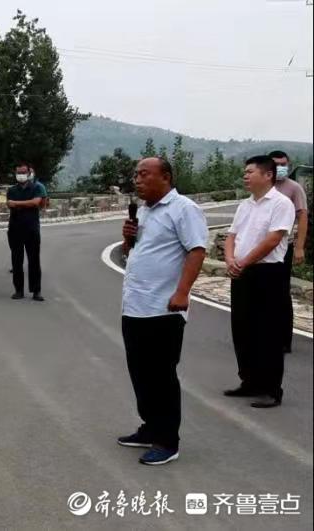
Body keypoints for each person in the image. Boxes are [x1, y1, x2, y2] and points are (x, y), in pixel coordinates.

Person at [118, 157, 208, 466]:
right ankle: (149, 427)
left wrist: (183, 292)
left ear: (166, 177)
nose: (137, 180)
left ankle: (168, 440)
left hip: (164, 308)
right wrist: (128, 237)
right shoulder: (143, 210)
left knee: (161, 376)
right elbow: (136, 251)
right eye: (136, 174)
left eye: (144, 174)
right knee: (140, 374)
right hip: (135, 306)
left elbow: (197, 250)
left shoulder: (183, 209)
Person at [224, 155, 295, 409]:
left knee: (268, 332)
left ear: (268, 175)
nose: (245, 175)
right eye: (244, 171)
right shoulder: (245, 205)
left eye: (250, 171)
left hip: (268, 274)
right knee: (242, 329)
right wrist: (230, 259)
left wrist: (243, 263)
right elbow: (232, 236)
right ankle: (249, 381)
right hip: (242, 273)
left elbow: (273, 240)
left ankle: (271, 389)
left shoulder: (281, 203)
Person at [268, 150, 308, 354]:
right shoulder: (264, 187)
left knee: (282, 293)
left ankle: (284, 341)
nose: (280, 167)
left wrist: (299, 246)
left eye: (283, 163)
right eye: (275, 164)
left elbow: (302, 217)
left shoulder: (294, 188)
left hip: (284, 247)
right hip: (262, 249)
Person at [7, 162, 47, 301]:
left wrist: (17, 204)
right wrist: (26, 204)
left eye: (23, 172)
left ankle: (36, 290)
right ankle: (18, 290)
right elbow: (9, 204)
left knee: (34, 260)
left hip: (31, 228)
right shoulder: (12, 189)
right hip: (15, 228)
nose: (21, 175)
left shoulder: (37, 187)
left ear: (29, 173)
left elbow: (36, 203)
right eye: (18, 172)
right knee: (16, 261)